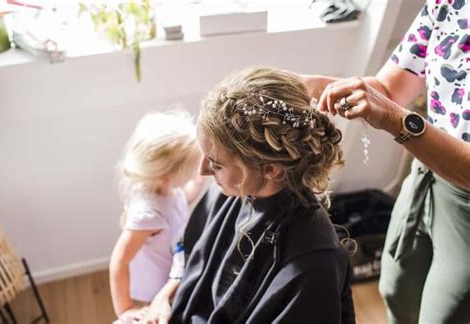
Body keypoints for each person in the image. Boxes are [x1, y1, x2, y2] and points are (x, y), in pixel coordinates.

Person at [141, 67, 356, 323]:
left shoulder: (313, 262)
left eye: (216, 163)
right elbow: (190, 254)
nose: (204, 171)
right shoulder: (231, 188)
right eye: (205, 156)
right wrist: (164, 296)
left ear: (271, 169)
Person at [304, 1, 470, 323]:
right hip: (427, 182)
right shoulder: (449, 4)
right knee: (396, 289)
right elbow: (388, 89)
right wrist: (305, 85)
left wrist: (395, 120)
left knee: (447, 314)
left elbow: (389, 108)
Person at [109, 111, 204, 321]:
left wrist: (200, 179)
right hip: (157, 283)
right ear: (167, 177)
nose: (198, 170)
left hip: (174, 268)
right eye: (193, 168)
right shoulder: (147, 214)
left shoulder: (169, 190)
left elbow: (182, 201)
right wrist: (124, 310)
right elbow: (119, 261)